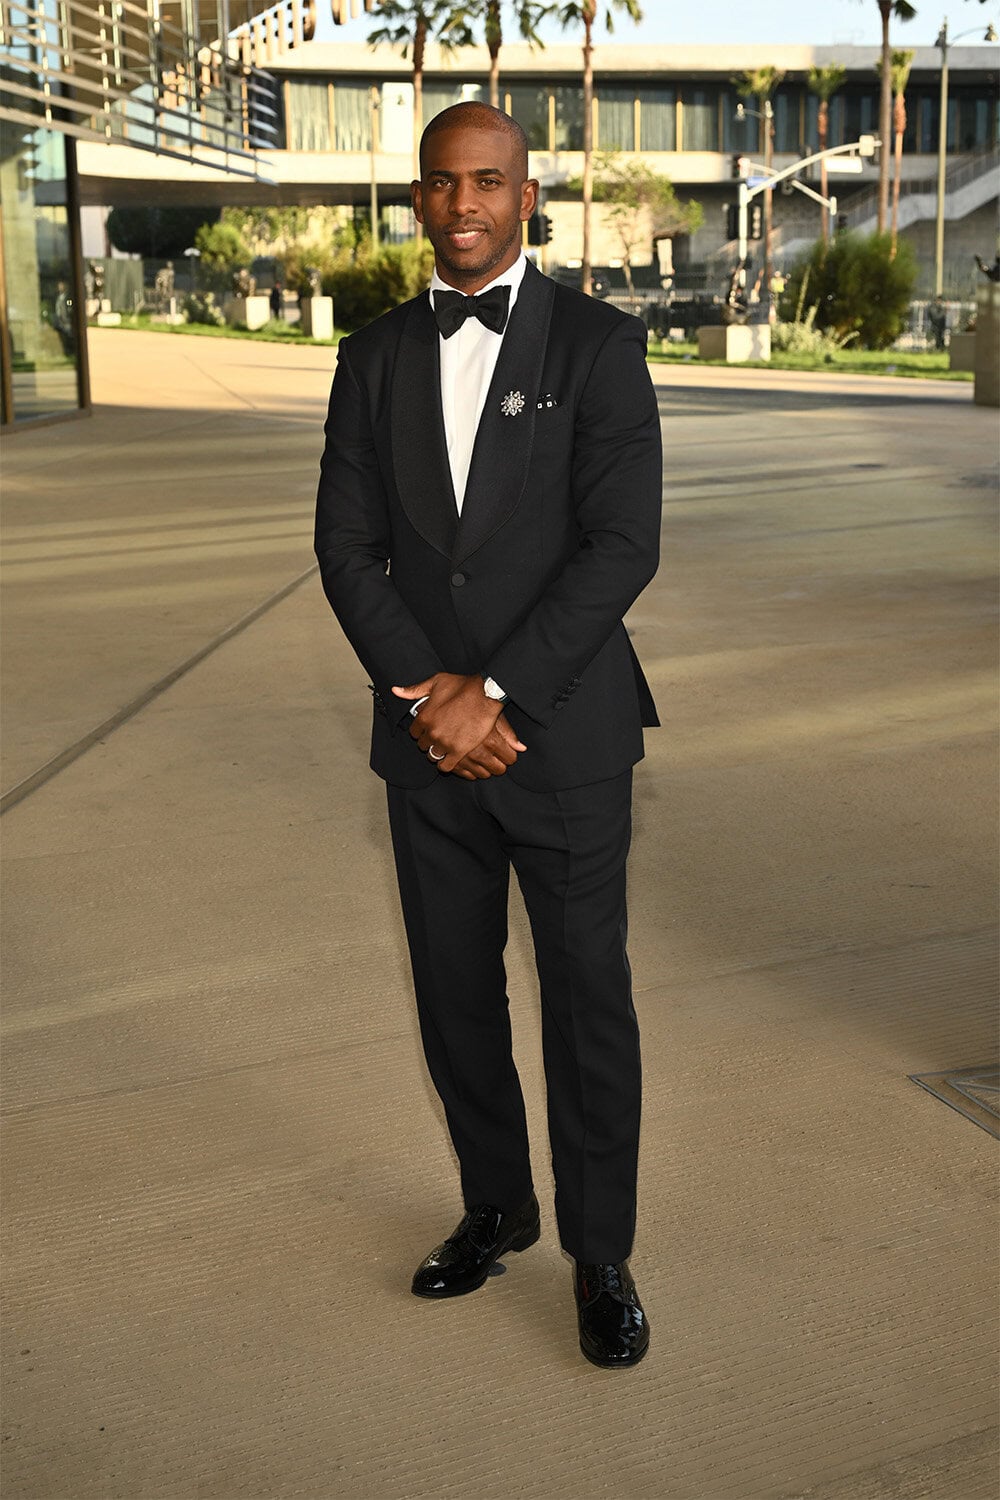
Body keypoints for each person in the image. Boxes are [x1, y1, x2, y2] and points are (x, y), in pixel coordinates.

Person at [314, 102, 662, 1369]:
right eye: (442, 184)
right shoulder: (374, 355)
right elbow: (345, 548)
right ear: (419, 199)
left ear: (526, 195)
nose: (463, 204)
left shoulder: (600, 345)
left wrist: (497, 694)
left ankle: (601, 1253)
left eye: (488, 183)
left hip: (563, 740)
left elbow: (623, 544)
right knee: (455, 997)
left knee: (585, 1006)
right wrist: (427, 694)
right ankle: (495, 1207)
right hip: (425, 749)